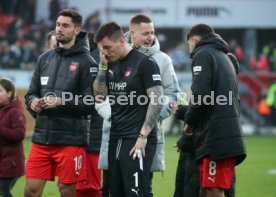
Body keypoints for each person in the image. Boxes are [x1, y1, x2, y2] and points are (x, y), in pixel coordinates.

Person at [24, 9, 96, 197]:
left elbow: (89, 103)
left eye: (65, 26)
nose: (60, 29)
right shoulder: (44, 59)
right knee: (31, 191)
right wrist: (33, 104)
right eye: (58, 24)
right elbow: (31, 93)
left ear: (76, 30)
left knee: (66, 190)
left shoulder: (87, 62)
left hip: (70, 140)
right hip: (42, 138)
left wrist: (61, 101)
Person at [93, 21, 163, 197]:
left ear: (122, 41)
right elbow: (99, 96)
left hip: (137, 141)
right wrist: (102, 66)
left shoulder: (145, 63)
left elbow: (157, 100)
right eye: (102, 49)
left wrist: (143, 136)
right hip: (115, 138)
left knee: (136, 193)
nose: (105, 52)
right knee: (114, 193)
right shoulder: (109, 63)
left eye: (108, 47)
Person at [183, 23, 246, 197]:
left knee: (213, 189)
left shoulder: (202, 54)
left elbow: (201, 95)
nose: (190, 50)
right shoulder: (223, 56)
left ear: (195, 40)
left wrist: (189, 121)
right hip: (222, 133)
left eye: (189, 45)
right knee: (206, 189)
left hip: (217, 137)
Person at [127, 14, 180, 196]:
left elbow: (173, 94)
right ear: (132, 33)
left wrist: (155, 113)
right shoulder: (117, 55)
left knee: (143, 186)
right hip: (118, 130)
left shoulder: (163, 60)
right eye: (145, 33)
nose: (150, 37)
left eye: (152, 32)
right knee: (112, 186)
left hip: (148, 133)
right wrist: (112, 115)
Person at [75, 33, 102, 197]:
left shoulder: (88, 63)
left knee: (85, 186)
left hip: (87, 134)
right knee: (87, 184)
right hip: (93, 134)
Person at [0, 78, 26, 197]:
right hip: (3, 162)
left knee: (3, 191)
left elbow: (20, 134)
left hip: (11, 164)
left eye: (0, 91)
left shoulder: (15, 111)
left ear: (9, 93)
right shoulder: (2, 109)